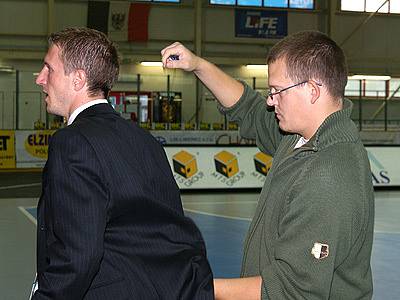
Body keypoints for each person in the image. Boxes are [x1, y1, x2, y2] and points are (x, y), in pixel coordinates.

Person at [161, 30, 374, 300]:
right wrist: (198, 66)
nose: (270, 100)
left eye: (277, 91)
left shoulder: (328, 175)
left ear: (312, 90)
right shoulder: (298, 136)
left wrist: (193, 286)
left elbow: (290, 291)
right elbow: (248, 107)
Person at [32, 27, 214, 299]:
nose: (40, 79)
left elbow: (77, 257)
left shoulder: (72, 142)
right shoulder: (145, 140)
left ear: (78, 79)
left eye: (49, 69)